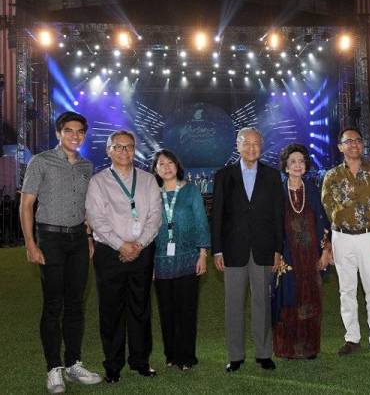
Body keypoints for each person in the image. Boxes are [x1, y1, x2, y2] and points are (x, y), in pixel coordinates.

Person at [20, 111, 102, 393]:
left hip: (79, 240)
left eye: (80, 131)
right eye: (68, 131)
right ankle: (53, 367)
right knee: (54, 304)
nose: (74, 136)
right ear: (58, 133)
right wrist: (31, 243)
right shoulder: (40, 161)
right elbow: (26, 204)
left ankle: (73, 363)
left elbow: (87, 206)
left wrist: (89, 236)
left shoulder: (87, 166)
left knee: (76, 303)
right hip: (50, 238)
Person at [85, 130, 162, 383]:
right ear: (109, 150)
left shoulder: (149, 180)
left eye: (129, 147)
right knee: (111, 310)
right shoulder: (97, 182)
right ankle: (113, 365)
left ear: (135, 150)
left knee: (140, 308)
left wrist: (138, 245)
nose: (124, 152)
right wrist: (121, 245)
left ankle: (141, 361)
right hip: (109, 253)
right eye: (117, 147)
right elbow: (96, 219)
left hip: (142, 250)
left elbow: (154, 217)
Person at [211, 127, 284, 372]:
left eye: (256, 143)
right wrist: (217, 250)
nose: (251, 147)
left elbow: (277, 215)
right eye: (247, 143)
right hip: (232, 250)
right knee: (233, 304)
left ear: (261, 146)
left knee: (262, 303)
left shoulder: (273, 176)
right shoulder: (224, 176)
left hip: (264, 249)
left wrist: (278, 249)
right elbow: (217, 216)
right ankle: (235, 355)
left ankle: (264, 353)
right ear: (238, 145)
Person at [321, 127, 370, 358]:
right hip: (342, 238)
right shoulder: (331, 176)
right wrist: (332, 241)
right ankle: (352, 338)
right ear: (340, 146)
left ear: (363, 145)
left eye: (358, 141)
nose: (354, 144)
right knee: (347, 290)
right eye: (348, 141)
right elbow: (327, 207)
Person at [151, 149, 211, 370]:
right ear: (155, 169)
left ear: (177, 166)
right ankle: (171, 354)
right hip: (160, 260)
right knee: (166, 310)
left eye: (170, 163)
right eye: (161, 164)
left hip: (188, 258)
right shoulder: (151, 194)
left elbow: (201, 222)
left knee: (187, 309)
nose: (166, 167)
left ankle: (187, 356)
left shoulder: (191, 191)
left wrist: (203, 254)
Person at [272, 143, 331, 359]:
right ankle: (287, 347)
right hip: (287, 256)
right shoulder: (277, 191)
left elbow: (323, 222)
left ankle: (309, 347)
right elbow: (272, 226)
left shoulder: (313, 189)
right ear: (286, 167)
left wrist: (325, 251)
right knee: (288, 299)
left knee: (310, 301)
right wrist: (275, 254)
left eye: (301, 161)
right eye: (293, 162)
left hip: (310, 256)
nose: (298, 165)